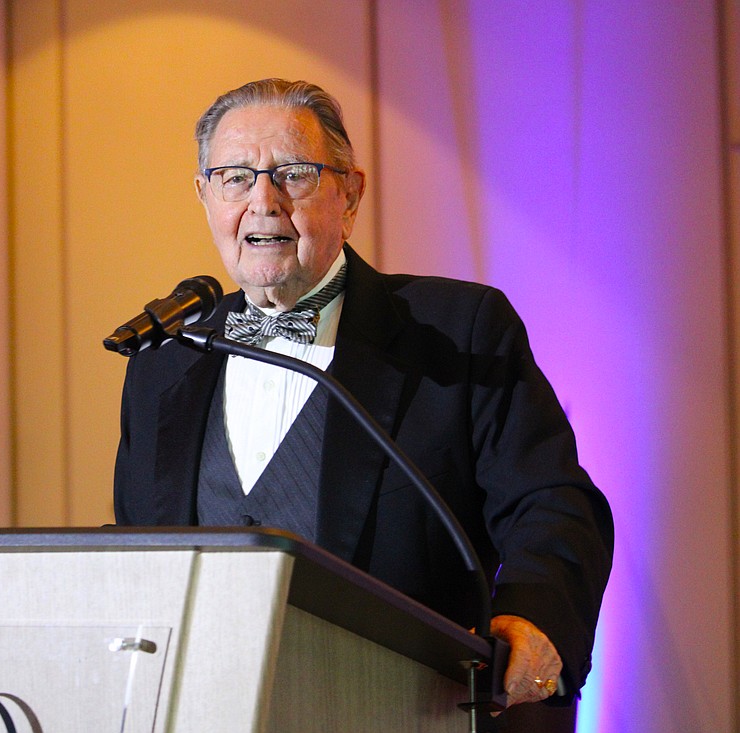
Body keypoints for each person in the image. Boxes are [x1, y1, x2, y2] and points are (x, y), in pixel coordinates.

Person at [113, 78, 613, 730]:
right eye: (234, 177)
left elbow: (553, 503)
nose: (262, 201)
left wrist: (535, 613)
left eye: (293, 174)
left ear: (350, 194)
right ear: (204, 195)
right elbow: (137, 555)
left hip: (400, 710)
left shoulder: (458, 333)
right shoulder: (165, 362)